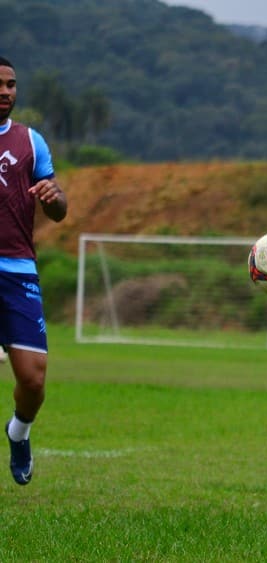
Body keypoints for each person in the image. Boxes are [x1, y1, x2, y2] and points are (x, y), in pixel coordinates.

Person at [0, 56, 69, 485]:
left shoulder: (30, 141)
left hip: (18, 270)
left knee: (34, 380)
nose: (5, 91)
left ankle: (18, 432)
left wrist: (52, 196)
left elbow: (60, 211)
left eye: (11, 85)